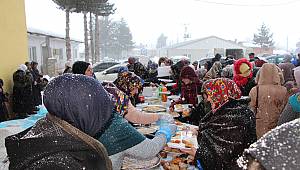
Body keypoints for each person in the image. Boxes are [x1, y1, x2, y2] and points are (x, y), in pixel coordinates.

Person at [5, 74, 113, 169]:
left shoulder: (49, 131)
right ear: (81, 111)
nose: (103, 117)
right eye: (100, 110)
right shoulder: (58, 163)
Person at [182, 78, 256, 169]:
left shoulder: (236, 118)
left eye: (211, 95)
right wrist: (199, 133)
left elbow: (223, 158)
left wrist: (198, 154)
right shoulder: (226, 111)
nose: (208, 99)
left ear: (222, 95)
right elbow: (216, 139)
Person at [72, 61, 173, 125]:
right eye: (89, 70)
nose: (92, 73)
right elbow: (135, 116)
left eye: (92, 70)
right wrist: (159, 117)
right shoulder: (109, 91)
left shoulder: (100, 89)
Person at [249, 63, 288, 139]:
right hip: (277, 123)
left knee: (262, 145)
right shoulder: (283, 90)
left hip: (260, 124)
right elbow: (285, 109)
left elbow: (252, 109)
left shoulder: (255, 90)